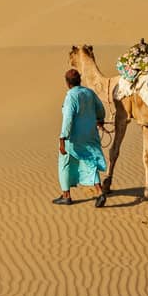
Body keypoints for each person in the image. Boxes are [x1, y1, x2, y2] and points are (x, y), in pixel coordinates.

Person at [54, 67, 109, 206]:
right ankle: (99, 191)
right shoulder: (89, 92)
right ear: (79, 80)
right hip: (90, 135)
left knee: (64, 162)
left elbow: (68, 119)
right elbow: (101, 109)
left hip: (74, 138)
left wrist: (62, 138)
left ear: (67, 82)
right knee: (90, 162)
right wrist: (100, 119)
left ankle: (66, 195)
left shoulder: (71, 96)